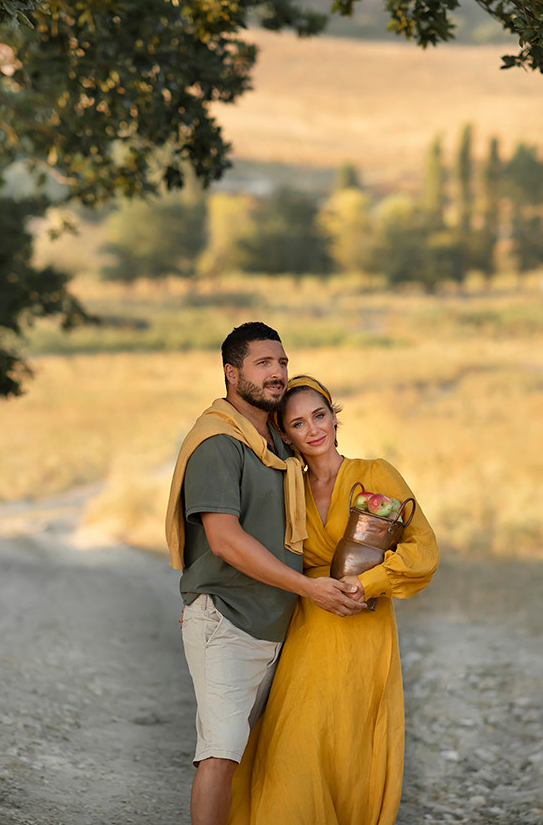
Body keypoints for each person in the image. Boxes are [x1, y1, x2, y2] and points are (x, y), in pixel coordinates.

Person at [165, 324, 367, 825]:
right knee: (220, 753)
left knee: (258, 757)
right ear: (232, 374)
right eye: (263, 364)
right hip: (226, 620)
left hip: (279, 624)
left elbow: (321, 454)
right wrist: (306, 587)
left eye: (281, 362)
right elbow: (225, 540)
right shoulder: (217, 442)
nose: (277, 373)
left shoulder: (277, 438)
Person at [227, 374, 440, 825]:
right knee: (294, 743)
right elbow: (251, 551)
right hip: (307, 624)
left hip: (363, 628)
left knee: (348, 748)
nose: (314, 430)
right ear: (284, 434)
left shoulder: (374, 474)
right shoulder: (288, 489)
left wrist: (373, 583)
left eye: (320, 415)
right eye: (299, 424)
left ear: (334, 417)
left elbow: (423, 549)